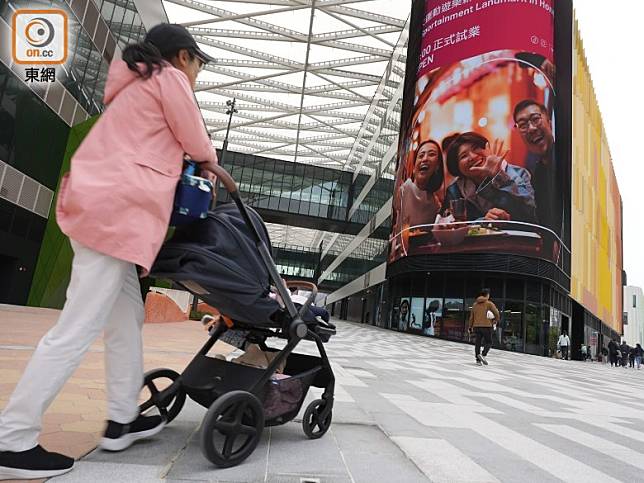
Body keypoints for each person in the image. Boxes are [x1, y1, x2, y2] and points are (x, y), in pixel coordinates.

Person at [0, 24, 218, 480]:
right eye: (198, 63)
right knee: (76, 329)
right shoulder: (169, 80)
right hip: (115, 216)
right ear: (182, 57)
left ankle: (122, 418)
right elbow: (197, 141)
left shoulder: (134, 86)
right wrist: (210, 165)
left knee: (125, 319)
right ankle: (12, 438)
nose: (197, 73)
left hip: (98, 210)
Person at [442, 132, 538, 223]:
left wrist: (498, 175)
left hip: (519, 237)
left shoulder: (519, 174)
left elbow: (532, 214)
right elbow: (452, 223)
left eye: (475, 148)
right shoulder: (455, 190)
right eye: (463, 156)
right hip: (476, 240)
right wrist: (483, 221)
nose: (472, 156)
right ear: (457, 167)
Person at [513, 100, 560, 234]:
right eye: (522, 125)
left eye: (535, 119)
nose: (532, 128)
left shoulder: (569, 158)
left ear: (549, 122)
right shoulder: (537, 172)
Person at [394, 140, 444, 255]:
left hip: (423, 256)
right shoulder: (404, 189)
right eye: (421, 155)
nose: (425, 159)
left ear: (437, 166)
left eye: (431, 154)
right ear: (414, 167)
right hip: (401, 255)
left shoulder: (435, 203)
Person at [467, 288, 500, 366]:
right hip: (486, 326)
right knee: (489, 342)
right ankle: (483, 354)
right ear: (487, 295)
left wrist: (470, 327)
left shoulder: (475, 304)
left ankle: (478, 360)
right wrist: (496, 320)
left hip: (476, 326)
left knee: (477, 343)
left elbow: (471, 317)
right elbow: (497, 313)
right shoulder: (489, 303)